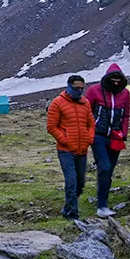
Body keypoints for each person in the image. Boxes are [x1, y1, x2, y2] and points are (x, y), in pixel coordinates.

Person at [84, 64, 130, 218]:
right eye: (113, 80)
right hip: (98, 136)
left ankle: (103, 199)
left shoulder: (124, 94)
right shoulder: (94, 91)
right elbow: (86, 111)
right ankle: (102, 206)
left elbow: (126, 116)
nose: (115, 83)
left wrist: (124, 133)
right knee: (103, 167)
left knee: (108, 170)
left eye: (119, 80)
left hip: (115, 138)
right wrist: (88, 132)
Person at [47, 75, 95, 219]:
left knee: (80, 183)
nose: (79, 91)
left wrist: (89, 139)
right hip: (65, 151)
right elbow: (51, 127)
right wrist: (65, 140)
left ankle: (67, 207)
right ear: (69, 86)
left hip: (82, 150)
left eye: (81, 88)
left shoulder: (85, 103)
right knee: (71, 181)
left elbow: (91, 124)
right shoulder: (57, 103)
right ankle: (72, 214)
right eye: (76, 88)